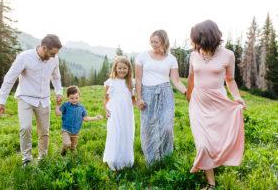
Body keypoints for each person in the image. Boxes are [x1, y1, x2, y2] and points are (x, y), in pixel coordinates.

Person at [186, 20, 246, 190]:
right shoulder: (193, 55)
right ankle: (211, 184)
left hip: (218, 103)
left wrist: (237, 97)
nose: (195, 43)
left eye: (197, 39)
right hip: (198, 102)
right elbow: (191, 77)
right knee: (203, 143)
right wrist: (188, 95)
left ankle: (214, 162)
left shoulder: (228, 55)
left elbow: (230, 79)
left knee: (215, 141)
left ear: (207, 37)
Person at [0, 34, 63, 167]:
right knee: (25, 127)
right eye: (52, 53)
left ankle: (42, 157)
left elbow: (56, 77)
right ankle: (26, 159)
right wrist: (2, 100)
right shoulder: (24, 57)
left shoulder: (54, 60)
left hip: (44, 99)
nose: (54, 56)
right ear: (44, 48)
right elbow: (10, 77)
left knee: (44, 131)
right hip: (25, 97)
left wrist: (59, 91)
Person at [135, 30, 187, 165]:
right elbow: (138, 79)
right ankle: (151, 161)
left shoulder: (171, 59)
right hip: (147, 93)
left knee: (167, 127)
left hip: (165, 93)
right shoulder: (142, 56)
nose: (153, 44)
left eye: (156, 42)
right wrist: (138, 98)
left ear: (164, 42)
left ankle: (166, 159)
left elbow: (176, 80)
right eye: (152, 41)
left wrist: (186, 92)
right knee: (148, 127)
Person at [103, 56, 136, 171]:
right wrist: (106, 109)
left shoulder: (131, 83)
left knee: (126, 134)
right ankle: (113, 160)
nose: (122, 70)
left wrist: (139, 104)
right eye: (120, 68)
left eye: (124, 68)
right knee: (114, 134)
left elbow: (133, 99)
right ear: (115, 68)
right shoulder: (110, 82)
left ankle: (125, 160)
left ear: (129, 69)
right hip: (114, 113)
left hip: (126, 113)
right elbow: (106, 98)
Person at [55, 86, 103, 156]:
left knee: (73, 148)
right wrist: (57, 105)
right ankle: (63, 154)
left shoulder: (81, 107)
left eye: (76, 98)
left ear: (79, 96)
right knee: (67, 144)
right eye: (72, 98)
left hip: (76, 132)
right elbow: (58, 113)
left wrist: (96, 117)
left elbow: (85, 118)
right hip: (66, 130)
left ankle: (73, 160)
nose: (74, 100)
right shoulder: (65, 105)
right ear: (68, 97)